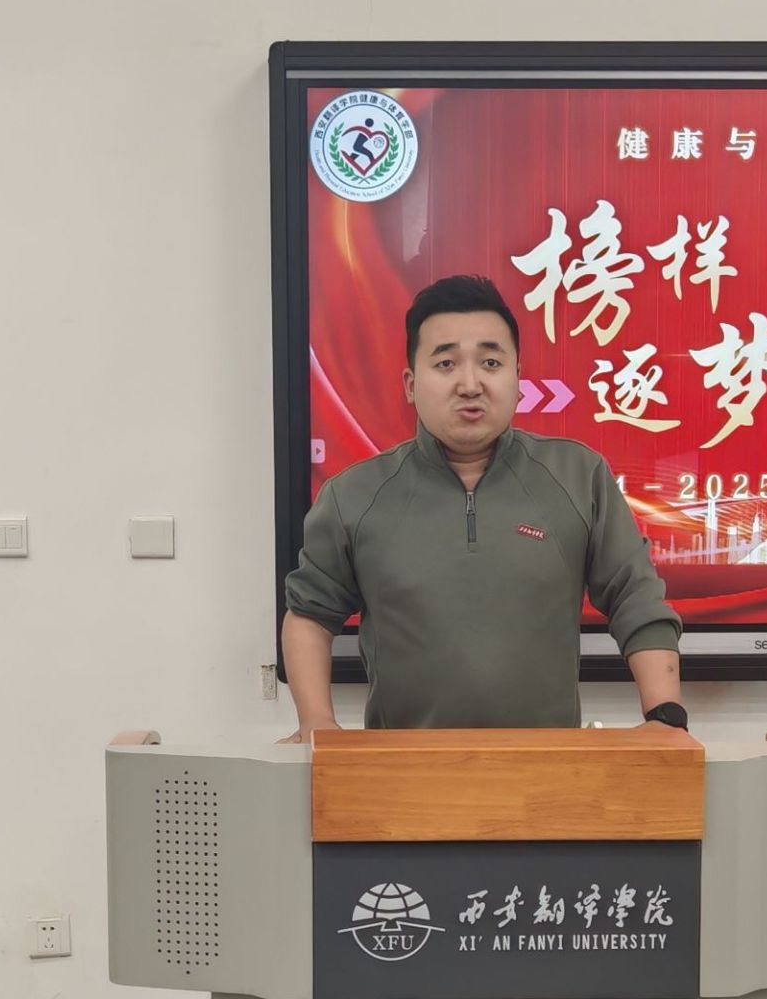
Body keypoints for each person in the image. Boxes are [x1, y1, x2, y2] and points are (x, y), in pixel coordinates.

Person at [280, 274, 686, 739]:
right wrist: (317, 724)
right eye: (446, 363)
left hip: (550, 769)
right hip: (401, 770)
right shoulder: (354, 494)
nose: (470, 384)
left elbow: (637, 600)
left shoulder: (578, 476)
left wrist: (664, 718)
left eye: (490, 362)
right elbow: (309, 614)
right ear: (411, 384)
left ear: (517, 379)